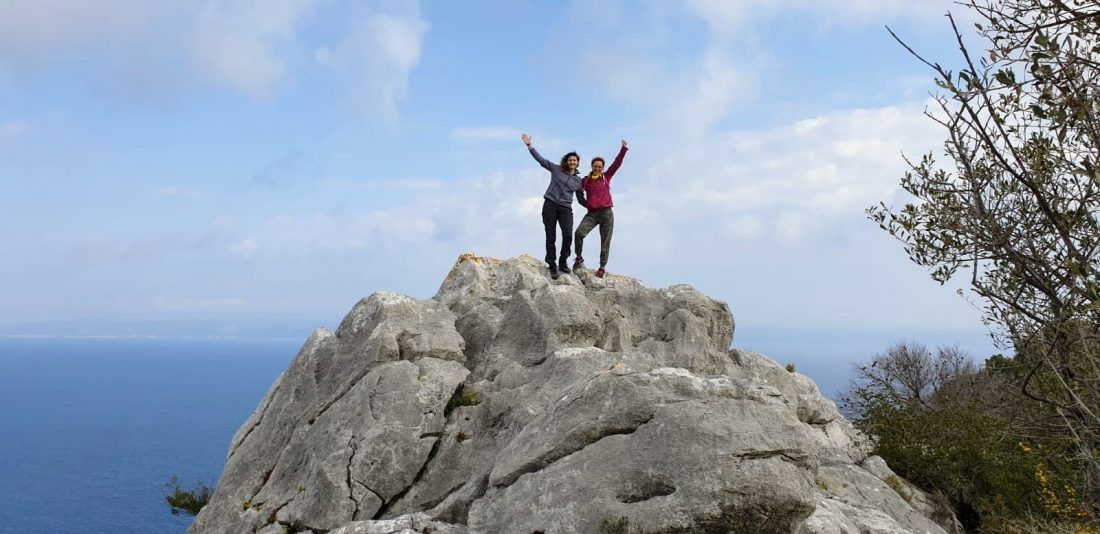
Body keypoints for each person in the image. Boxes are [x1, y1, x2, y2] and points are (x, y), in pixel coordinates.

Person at [521, 133, 587, 279]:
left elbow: (581, 199)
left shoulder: (578, 181)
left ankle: (563, 263)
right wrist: (529, 146)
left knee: (568, 235)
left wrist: (593, 206)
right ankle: (552, 265)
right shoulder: (556, 169)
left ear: (577, 163)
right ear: (566, 161)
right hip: (550, 205)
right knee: (551, 236)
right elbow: (541, 160)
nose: (572, 162)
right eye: (570, 160)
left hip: (565, 209)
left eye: (574, 160)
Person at [574, 139, 628, 278]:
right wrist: (589, 204)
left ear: (602, 168)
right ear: (592, 166)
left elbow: (617, 164)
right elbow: (579, 196)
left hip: (606, 213)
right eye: (595, 166)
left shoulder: (606, 177)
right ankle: (578, 258)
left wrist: (623, 150)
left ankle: (602, 267)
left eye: (600, 167)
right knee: (579, 233)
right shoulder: (585, 180)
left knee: (605, 240)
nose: (597, 168)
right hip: (592, 214)